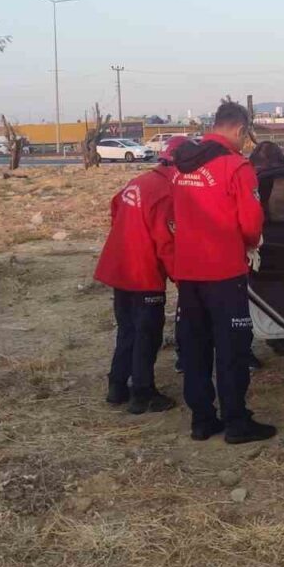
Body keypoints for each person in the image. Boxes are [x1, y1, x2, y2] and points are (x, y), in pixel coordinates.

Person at [171, 101, 275, 443]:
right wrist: (252, 243)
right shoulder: (236, 167)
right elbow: (251, 223)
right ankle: (236, 421)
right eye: (246, 137)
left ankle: (202, 420)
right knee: (232, 348)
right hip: (224, 271)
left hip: (188, 271)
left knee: (195, 346)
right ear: (240, 130)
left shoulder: (181, 164)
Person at [93, 136, 189, 415]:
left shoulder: (139, 181)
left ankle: (117, 386)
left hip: (119, 266)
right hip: (142, 272)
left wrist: (130, 234)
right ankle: (143, 393)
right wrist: (183, 281)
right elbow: (167, 243)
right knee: (147, 333)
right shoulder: (167, 192)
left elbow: (115, 208)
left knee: (127, 329)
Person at [248, 140, 284, 361]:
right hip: (247, 243)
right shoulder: (251, 180)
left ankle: (277, 336)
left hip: (263, 238)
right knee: (244, 300)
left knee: (265, 292)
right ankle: (246, 350)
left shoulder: (260, 178)